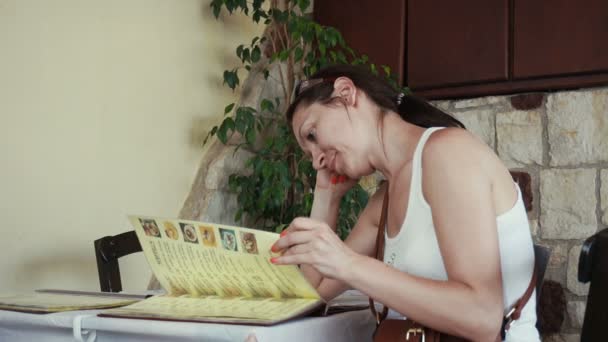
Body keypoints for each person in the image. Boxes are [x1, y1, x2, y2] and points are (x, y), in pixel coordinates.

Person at [270, 64, 539, 341]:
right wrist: (327, 197)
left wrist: (349, 264)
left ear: (346, 93)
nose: (316, 161)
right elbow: (310, 294)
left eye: (312, 135)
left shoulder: (449, 154)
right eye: (308, 154)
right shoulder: (383, 203)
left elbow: (482, 318)